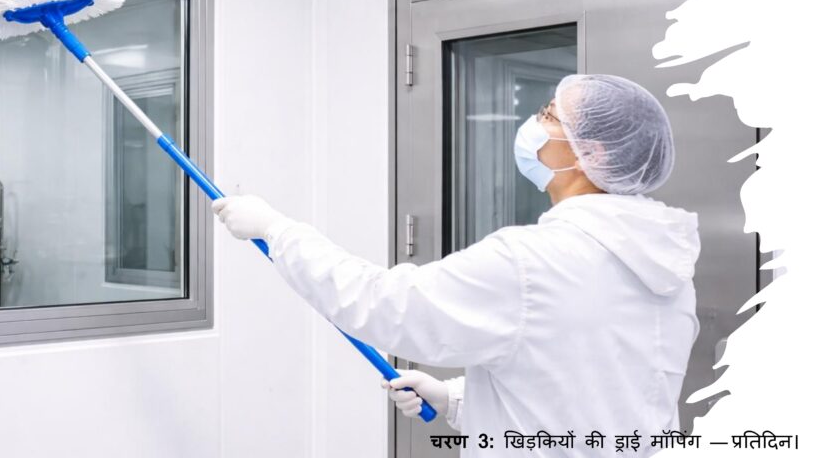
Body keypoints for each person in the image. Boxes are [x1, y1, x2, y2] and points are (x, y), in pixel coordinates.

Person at [213, 74, 700, 457]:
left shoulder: (531, 262)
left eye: (548, 115)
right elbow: (590, 391)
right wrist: (457, 401)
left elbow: (384, 305)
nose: (533, 122)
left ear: (589, 152)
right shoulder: (662, 265)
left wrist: (277, 231)